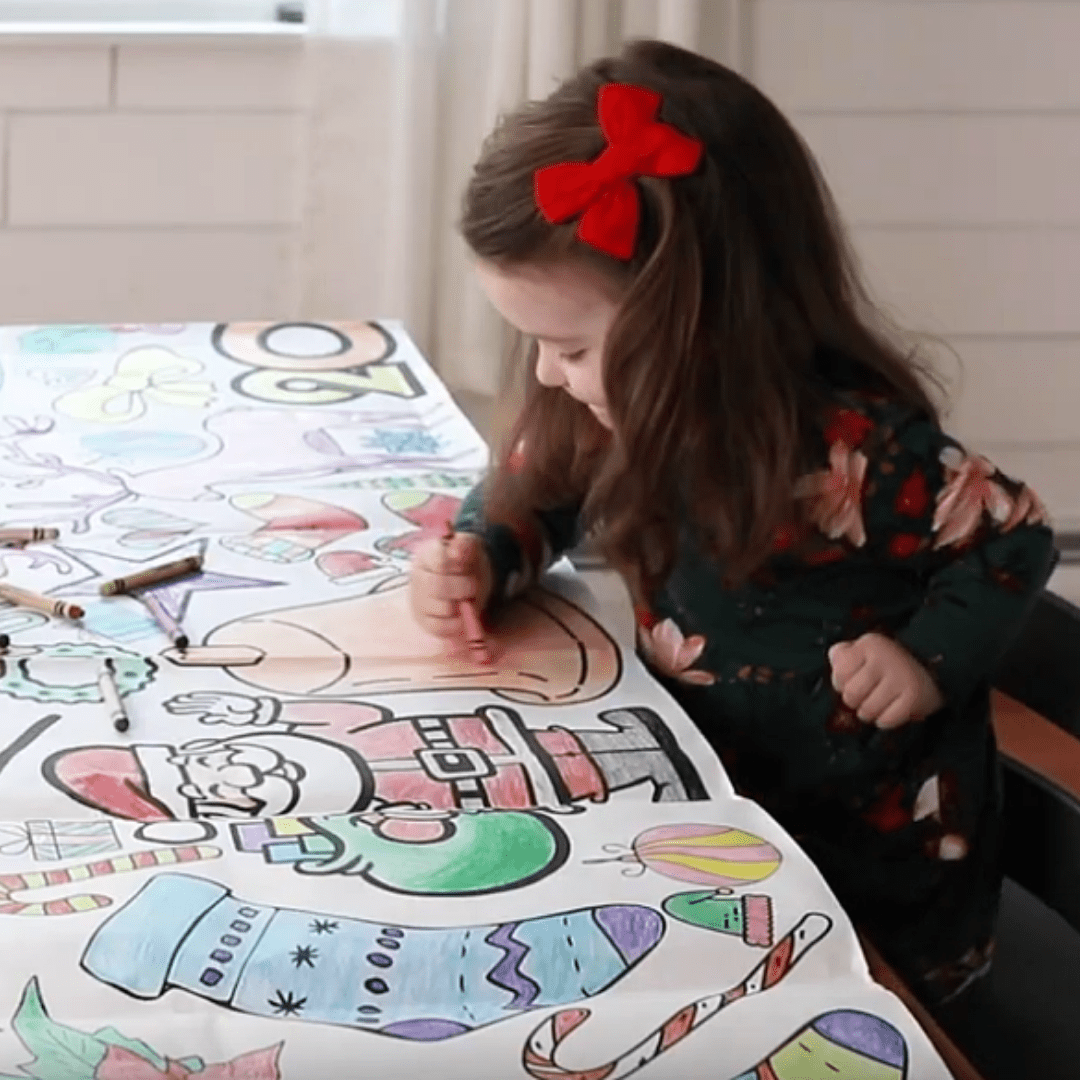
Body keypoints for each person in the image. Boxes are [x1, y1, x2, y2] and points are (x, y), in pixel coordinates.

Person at [408, 37, 1060, 1017]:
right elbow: (534, 489)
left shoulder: (863, 452)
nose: (545, 373)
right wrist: (483, 555)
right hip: (720, 826)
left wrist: (926, 659)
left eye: (570, 348)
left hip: (875, 887)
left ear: (699, 324)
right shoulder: (612, 410)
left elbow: (1014, 533)